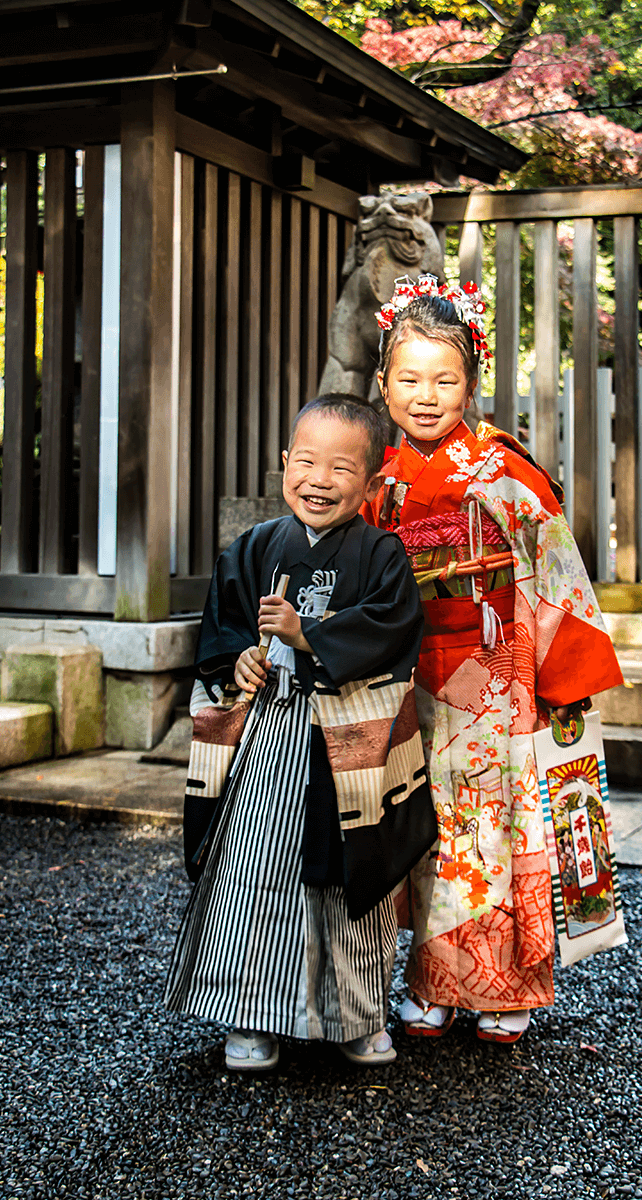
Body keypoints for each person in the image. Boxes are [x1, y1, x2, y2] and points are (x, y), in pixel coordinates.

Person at [361, 274, 625, 1044]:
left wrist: (565, 681)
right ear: (381, 384)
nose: (426, 394)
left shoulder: (502, 473)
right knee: (427, 833)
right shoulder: (381, 486)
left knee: (498, 829)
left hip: (496, 673)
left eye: (445, 378)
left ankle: (504, 987)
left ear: (472, 383)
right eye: (408, 378)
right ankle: (433, 983)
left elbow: (555, 575)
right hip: (412, 680)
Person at [163, 394, 435, 1071]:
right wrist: (241, 661)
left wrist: (308, 634)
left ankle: (355, 1016)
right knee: (254, 873)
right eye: (306, 461)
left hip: (346, 746)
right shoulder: (253, 548)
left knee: (349, 879)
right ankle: (250, 1015)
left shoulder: (382, 555)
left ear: (373, 484)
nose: (319, 479)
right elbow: (223, 632)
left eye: (341, 468)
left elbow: (393, 631)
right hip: (270, 740)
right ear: (284, 464)